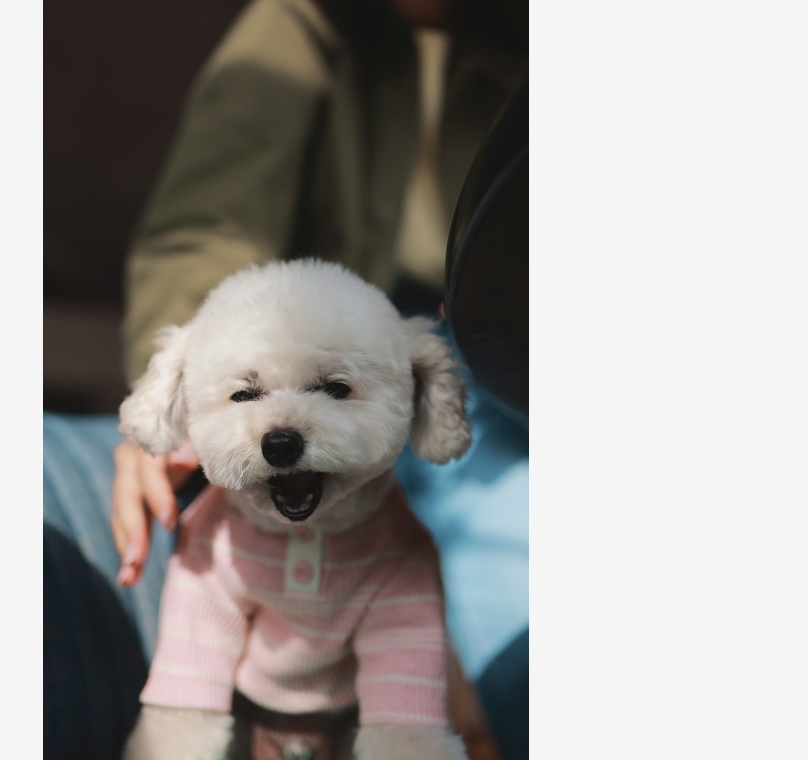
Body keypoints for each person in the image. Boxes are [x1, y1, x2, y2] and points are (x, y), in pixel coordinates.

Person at [43, 1, 528, 757]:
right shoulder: (297, 27)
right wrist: (180, 395)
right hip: (273, 361)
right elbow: (204, 228)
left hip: (498, 391)